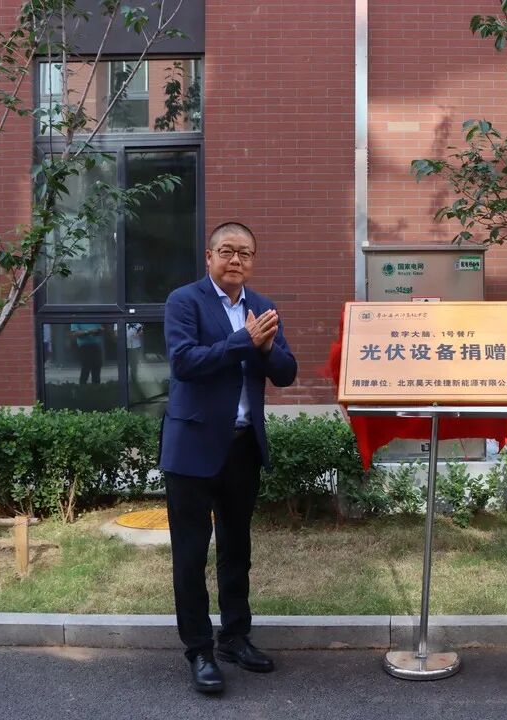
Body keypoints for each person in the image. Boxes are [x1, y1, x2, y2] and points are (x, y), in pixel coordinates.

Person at [160, 221, 298, 694]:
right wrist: (245, 341)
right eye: (226, 251)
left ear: (253, 261)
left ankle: (235, 637)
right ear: (209, 257)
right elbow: (184, 362)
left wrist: (265, 348)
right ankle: (199, 650)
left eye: (245, 253)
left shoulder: (262, 306)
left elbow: (286, 372)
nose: (236, 260)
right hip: (192, 448)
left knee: (237, 550)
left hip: (242, 448)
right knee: (190, 555)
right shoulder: (184, 301)